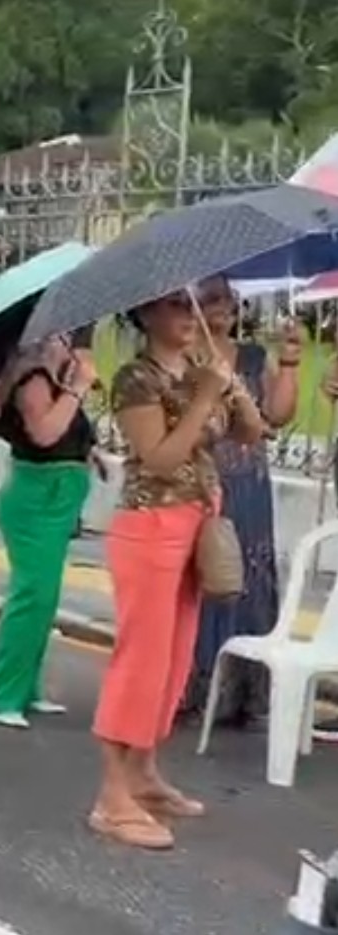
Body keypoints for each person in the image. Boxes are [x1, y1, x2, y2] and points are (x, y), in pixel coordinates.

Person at [90, 288, 266, 850]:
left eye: (192, 308)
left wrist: (231, 392)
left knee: (173, 659)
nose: (189, 318)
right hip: (151, 525)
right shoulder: (135, 379)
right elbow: (160, 457)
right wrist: (203, 398)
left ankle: (143, 772)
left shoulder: (199, 368)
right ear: (144, 314)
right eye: (174, 308)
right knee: (141, 659)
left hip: (196, 523)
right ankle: (112, 796)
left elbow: (250, 433)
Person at [181, 281, 299, 730]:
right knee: (206, 577)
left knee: (249, 574)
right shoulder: (185, 361)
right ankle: (197, 686)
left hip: (248, 484)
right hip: (203, 480)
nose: (225, 308)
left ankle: (246, 691)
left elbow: (278, 415)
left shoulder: (251, 358)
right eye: (213, 300)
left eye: (229, 300)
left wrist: (289, 360)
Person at [0, 334, 97, 729]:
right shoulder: (32, 377)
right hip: (37, 499)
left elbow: (66, 434)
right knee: (32, 595)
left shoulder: (50, 376)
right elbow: (45, 432)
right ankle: (4, 693)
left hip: (57, 495)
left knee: (44, 599)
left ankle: (26, 687)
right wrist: (79, 387)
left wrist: (90, 452)